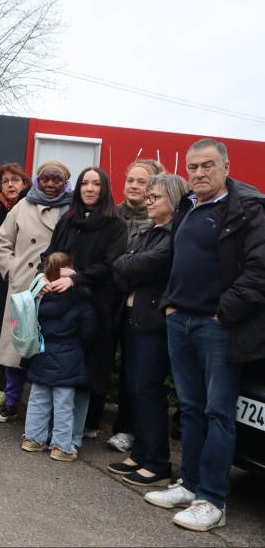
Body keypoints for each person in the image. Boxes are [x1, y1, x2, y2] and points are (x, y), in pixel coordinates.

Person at [144, 139, 265, 532]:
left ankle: (213, 500)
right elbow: (179, 261)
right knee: (191, 409)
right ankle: (190, 485)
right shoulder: (188, 206)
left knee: (218, 413)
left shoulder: (249, 208)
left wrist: (223, 312)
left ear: (226, 166)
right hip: (181, 320)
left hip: (218, 326)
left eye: (207, 165)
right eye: (193, 167)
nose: (199, 173)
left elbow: (259, 271)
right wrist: (170, 303)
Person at [108, 173, 189, 486]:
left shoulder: (174, 234)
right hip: (132, 316)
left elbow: (143, 264)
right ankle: (141, 453)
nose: (148, 201)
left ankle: (157, 462)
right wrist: (130, 264)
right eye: (149, 196)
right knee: (134, 386)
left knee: (148, 388)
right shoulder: (147, 231)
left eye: (155, 197)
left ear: (174, 200)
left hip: (153, 322)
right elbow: (123, 266)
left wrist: (129, 264)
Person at [39, 167, 127, 450]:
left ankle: (72, 437)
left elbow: (111, 265)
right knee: (56, 368)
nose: (89, 188)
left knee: (84, 372)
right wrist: (44, 276)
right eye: (84, 183)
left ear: (105, 188)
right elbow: (49, 254)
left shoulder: (116, 224)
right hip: (60, 305)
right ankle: (50, 432)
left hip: (94, 306)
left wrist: (75, 278)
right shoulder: (67, 220)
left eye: (96, 184)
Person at [0, 160, 73, 423]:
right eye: (45, 179)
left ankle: (43, 413)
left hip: (54, 287)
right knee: (19, 344)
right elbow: (2, 242)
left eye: (57, 180)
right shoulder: (22, 206)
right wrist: (13, 270)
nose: (50, 184)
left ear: (66, 183)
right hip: (23, 285)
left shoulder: (72, 209)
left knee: (48, 349)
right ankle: (11, 401)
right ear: (37, 181)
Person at [99, 159, 166, 452]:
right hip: (107, 297)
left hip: (136, 302)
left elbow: (138, 265)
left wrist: (123, 267)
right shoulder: (110, 214)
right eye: (131, 180)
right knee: (99, 359)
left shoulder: (158, 222)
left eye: (143, 181)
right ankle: (89, 420)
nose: (135, 186)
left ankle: (126, 428)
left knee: (132, 370)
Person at [21, 252, 97, 462]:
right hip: (69, 357)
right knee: (64, 404)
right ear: (71, 269)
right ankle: (61, 446)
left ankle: (33, 438)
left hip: (42, 353)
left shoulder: (39, 295)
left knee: (38, 398)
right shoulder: (81, 297)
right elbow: (89, 330)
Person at [0, 163, 32, 408]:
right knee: (4, 332)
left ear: (25, 183)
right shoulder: (0, 211)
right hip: (3, 278)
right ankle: (5, 388)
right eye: (5, 181)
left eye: (15, 180)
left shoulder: (31, 207)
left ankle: (24, 392)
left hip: (27, 279)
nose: (10, 185)